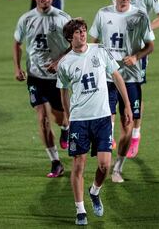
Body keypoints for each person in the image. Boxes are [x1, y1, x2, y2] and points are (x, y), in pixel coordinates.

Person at [57, 18, 132, 225]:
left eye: (84, 30)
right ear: (70, 37)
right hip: (80, 119)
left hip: (102, 118)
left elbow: (116, 76)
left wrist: (126, 104)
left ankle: (95, 191)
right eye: (78, 32)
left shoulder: (99, 51)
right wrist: (68, 115)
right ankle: (80, 210)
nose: (83, 34)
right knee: (78, 165)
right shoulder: (65, 63)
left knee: (104, 165)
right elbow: (63, 90)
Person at [90, 0, 155, 183]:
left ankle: (118, 166)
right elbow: (95, 43)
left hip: (132, 78)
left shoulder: (140, 16)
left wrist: (136, 56)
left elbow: (150, 46)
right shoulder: (103, 14)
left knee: (127, 124)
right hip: (108, 78)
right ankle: (105, 162)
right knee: (106, 122)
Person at [111, 0, 159, 158]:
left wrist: (145, 31)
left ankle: (135, 133)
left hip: (138, 50)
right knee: (113, 87)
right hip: (117, 49)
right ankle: (112, 134)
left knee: (135, 88)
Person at [12, 0, 71, 178]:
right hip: (35, 77)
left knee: (59, 116)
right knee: (43, 119)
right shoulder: (26, 19)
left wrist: (59, 62)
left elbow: (75, 46)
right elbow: (17, 43)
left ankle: (65, 127)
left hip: (56, 78)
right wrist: (17, 67)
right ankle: (55, 161)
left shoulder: (63, 19)